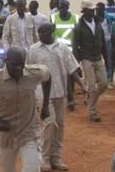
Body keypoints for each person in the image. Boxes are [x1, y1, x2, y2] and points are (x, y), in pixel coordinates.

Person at [0, 46, 50, 172]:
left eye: (22, 64)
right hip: (6, 134)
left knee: (33, 168)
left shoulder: (34, 73)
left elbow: (48, 77)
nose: (19, 68)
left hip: (29, 131)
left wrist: (46, 105)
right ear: (6, 61)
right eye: (15, 65)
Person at [28, 23, 84, 172]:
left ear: (52, 31)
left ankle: (56, 158)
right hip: (41, 92)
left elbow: (72, 69)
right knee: (49, 124)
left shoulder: (62, 48)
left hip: (60, 91)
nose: (41, 35)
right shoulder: (33, 50)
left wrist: (82, 85)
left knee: (59, 126)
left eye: (44, 32)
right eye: (39, 32)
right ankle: (44, 159)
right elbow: (29, 72)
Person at [72, 1, 108, 122]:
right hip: (86, 58)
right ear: (84, 11)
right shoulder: (78, 27)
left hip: (98, 57)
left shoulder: (98, 24)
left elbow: (103, 43)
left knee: (104, 83)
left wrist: (107, 59)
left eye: (93, 10)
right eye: (90, 10)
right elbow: (75, 46)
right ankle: (93, 111)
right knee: (91, 85)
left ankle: (90, 99)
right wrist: (76, 64)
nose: (93, 12)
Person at [50, 0, 79, 110]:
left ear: (68, 7)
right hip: (58, 51)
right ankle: (70, 98)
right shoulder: (53, 17)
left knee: (72, 74)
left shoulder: (75, 17)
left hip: (72, 51)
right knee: (64, 74)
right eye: (61, 7)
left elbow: (77, 35)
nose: (63, 9)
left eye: (64, 7)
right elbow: (51, 34)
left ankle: (70, 96)